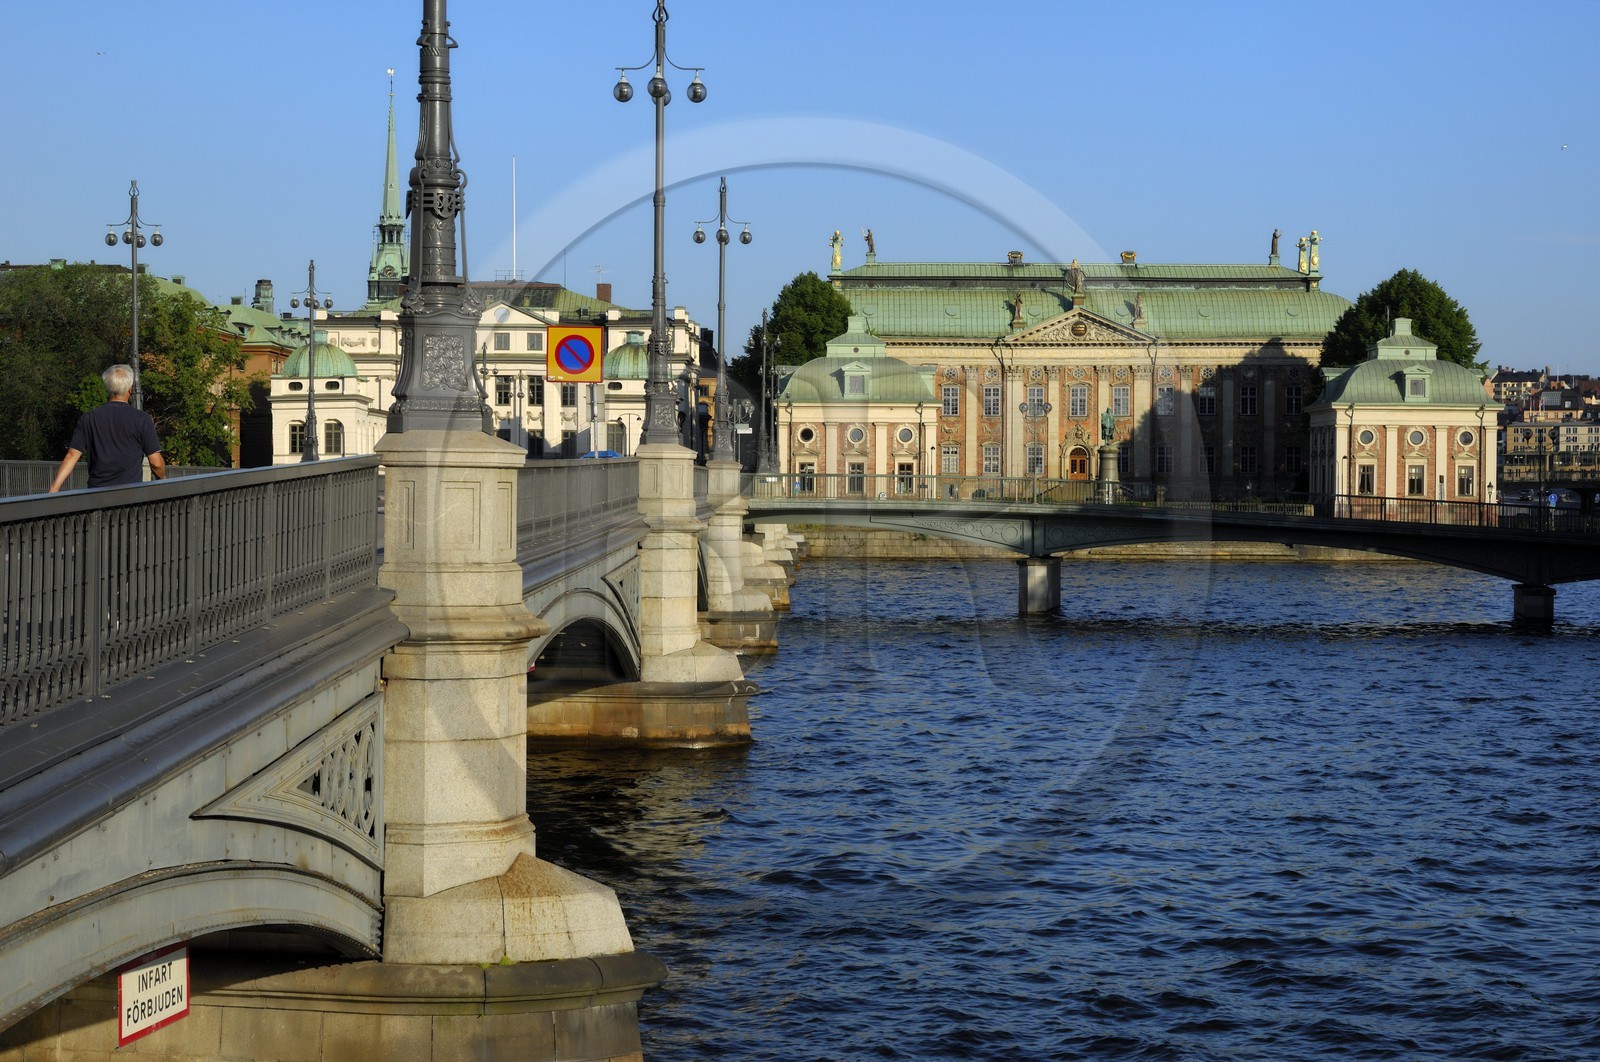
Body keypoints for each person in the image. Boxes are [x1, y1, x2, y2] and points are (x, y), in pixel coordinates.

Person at [47, 364, 166, 492]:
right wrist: (163, 479)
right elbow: (156, 463)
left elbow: (72, 455)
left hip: (97, 495)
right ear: (130, 389)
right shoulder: (141, 419)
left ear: (107, 388)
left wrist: (54, 488)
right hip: (130, 497)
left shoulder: (89, 418)